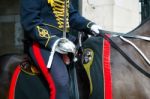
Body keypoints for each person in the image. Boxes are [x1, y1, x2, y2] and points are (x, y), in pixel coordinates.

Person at [20, 0, 102, 99]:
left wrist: (89, 25)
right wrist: (52, 41)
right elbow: (30, 21)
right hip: (42, 43)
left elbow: (72, 16)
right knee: (61, 82)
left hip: (65, 41)